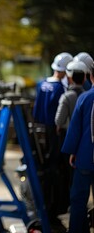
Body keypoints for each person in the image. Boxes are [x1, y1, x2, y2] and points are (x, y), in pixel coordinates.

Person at [32, 52, 73, 232]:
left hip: (40, 130)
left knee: (45, 165)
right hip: (55, 132)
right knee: (55, 168)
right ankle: (53, 205)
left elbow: (36, 109)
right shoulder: (60, 89)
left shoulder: (42, 83)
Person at [61, 61, 94, 233]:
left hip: (85, 157)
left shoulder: (85, 98)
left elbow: (75, 128)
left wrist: (72, 152)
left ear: (91, 76)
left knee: (79, 199)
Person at [54, 60, 88, 217]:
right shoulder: (88, 96)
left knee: (69, 178)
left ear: (71, 77)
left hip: (69, 141)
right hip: (87, 144)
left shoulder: (67, 96)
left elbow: (58, 120)